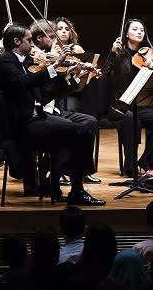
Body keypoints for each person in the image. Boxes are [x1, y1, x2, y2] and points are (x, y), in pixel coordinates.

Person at [0, 23, 105, 205]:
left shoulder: (27, 63)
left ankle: (54, 185)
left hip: (37, 118)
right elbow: (25, 81)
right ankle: (74, 189)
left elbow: (45, 96)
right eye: (29, 41)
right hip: (23, 124)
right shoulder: (6, 62)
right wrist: (54, 66)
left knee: (80, 130)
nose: (32, 45)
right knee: (80, 132)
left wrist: (71, 77)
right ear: (16, 41)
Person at [30, 19, 101, 186]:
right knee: (73, 128)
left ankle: (82, 171)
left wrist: (75, 74)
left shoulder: (51, 59)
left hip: (53, 109)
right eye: (52, 37)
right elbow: (44, 94)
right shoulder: (33, 61)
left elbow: (58, 93)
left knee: (90, 121)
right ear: (39, 39)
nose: (56, 41)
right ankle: (60, 174)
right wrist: (55, 66)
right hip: (38, 113)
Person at [101, 18, 153, 177]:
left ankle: (147, 162)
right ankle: (129, 165)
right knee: (131, 119)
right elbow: (104, 74)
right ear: (126, 33)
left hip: (141, 105)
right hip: (119, 107)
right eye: (135, 29)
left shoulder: (147, 53)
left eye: (142, 30)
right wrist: (112, 53)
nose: (139, 32)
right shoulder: (119, 53)